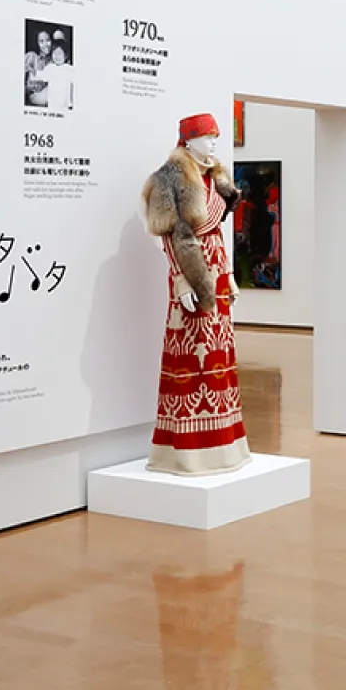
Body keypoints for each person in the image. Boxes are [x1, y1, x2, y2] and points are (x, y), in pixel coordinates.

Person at [141, 114, 249, 474]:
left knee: (220, 354)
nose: (213, 142)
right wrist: (181, 280)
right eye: (206, 136)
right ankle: (187, 452)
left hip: (217, 272)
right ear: (187, 140)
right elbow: (170, 237)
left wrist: (229, 275)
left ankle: (225, 445)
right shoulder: (169, 179)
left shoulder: (216, 177)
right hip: (191, 271)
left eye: (216, 136)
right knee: (191, 356)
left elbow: (216, 234)